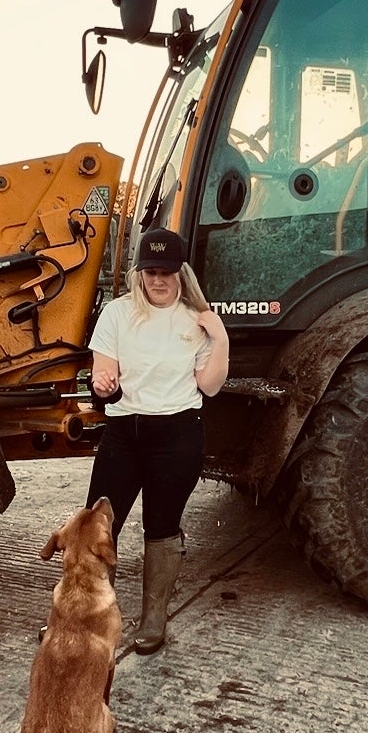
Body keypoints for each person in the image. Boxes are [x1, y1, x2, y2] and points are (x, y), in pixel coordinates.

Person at [85, 228, 229, 653]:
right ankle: (89, 618)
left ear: (181, 273)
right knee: (99, 527)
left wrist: (219, 337)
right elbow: (101, 376)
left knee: (161, 529)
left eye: (166, 272)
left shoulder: (195, 321)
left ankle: (153, 622)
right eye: (150, 271)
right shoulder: (116, 313)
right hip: (123, 435)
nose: (158, 280)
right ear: (139, 273)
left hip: (177, 436)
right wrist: (104, 382)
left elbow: (212, 386)